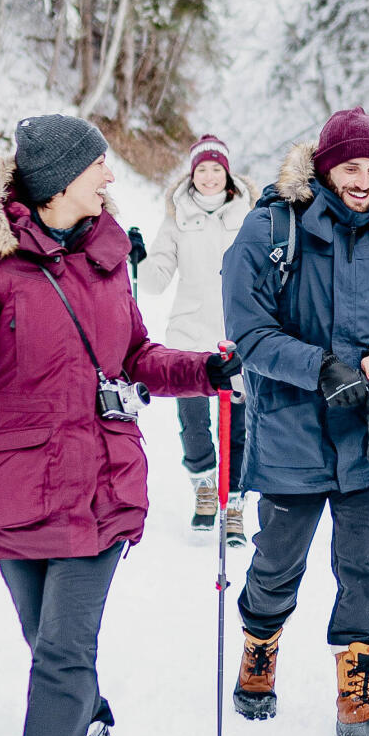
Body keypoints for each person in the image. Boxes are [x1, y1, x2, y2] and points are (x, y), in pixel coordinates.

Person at [0, 113, 235, 736]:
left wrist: (202, 371)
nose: (109, 179)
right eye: (98, 167)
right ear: (60, 181)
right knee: (44, 639)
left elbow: (135, 356)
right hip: (13, 484)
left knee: (63, 645)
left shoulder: (105, 259)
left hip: (99, 482)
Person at [220, 107, 369, 736]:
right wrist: (321, 367)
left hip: (365, 432)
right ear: (324, 166)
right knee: (279, 561)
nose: (363, 179)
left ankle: (357, 697)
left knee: (365, 562)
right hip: (291, 431)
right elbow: (249, 333)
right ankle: (260, 647)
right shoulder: (269, 228)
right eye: (350, 166)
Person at [139, 133, 254, 542]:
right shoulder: (177, 218)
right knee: (193, 423)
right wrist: (139, 260)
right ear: (192, 174)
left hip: (237, 334)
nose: (208, 176)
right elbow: (154, 282)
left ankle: (235, 501)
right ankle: (205, 486)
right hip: (188, 334)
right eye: (201, 169)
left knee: (238, 427)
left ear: (227, 173)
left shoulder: (251, 215)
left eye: (215, 169)